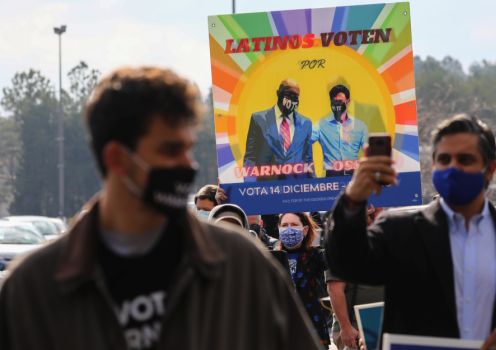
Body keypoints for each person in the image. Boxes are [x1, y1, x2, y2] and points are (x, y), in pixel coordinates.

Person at [0, 67, 322, 350]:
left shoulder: (240, 264)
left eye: (188, 149)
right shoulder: (32, 290)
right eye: (170, 150)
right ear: (117, 158)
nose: (188, 165)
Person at [325, 114, 496, 349]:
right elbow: (345, 264)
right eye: (444, 159)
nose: (452, 168)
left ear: (490, 169)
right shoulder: (399, 231)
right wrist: (353, 199)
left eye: (465, 159)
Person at [327, 204, 384, 350]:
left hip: (386, 322)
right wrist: (345, 327)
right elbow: (335, 289)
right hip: (357, 327)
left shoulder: (387, 237)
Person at [277, 212, 331, 349]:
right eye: (284, 225)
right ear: (278, 229)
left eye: (294, 225)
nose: (289, 229)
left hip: (311, 327)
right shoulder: (271, 258)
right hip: (281, 329)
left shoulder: (317, 256)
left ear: (305, 230)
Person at [243, 79, 314, 180]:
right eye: (288, 94)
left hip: (297, 188)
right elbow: (250, 158)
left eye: (296, 96)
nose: (292, 98)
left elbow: (308, 159)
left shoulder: (306, 123)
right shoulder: (258, 119)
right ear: (278, 93)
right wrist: (249, 186)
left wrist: (314, 186)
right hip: (267, 187)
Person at [312, 84, 368, 177]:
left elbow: (369, 150)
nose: (337, 103)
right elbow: (303, 143)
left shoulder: (359, 125)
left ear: (348, 101)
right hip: (331, 177)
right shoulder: (321, 125)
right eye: (334, 101)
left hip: (354, 176)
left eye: (340, 101)